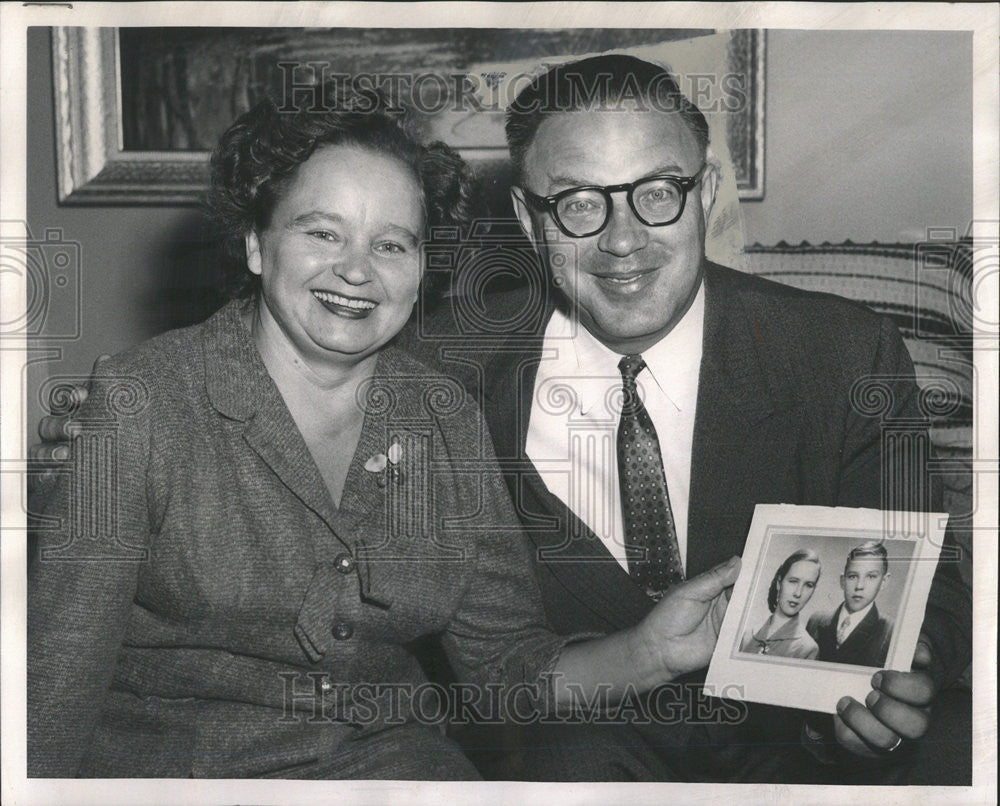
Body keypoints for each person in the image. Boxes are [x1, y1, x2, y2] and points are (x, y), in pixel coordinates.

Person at [32, 54, 972, 783]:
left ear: (707, 195)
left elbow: (925, 583)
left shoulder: (841, 353)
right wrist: (108, 436)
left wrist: (898, 684)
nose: (622, 241)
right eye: (576, 203)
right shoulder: (447, 370)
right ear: (527, 221)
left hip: (804, 756)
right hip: (561, 758)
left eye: (656, 192)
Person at [807, 542, 894, 667]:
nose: (859, 586)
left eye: (871, 577)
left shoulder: (891, 632)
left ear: (884, 581)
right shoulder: (816, 620)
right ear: (842, 581)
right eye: (852, 577)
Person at [740, 550, 821, 660]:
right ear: (779, 583)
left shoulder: (808, 649)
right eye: (793, 581)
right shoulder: (748, 635)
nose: (798, 593)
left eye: (808, 585)